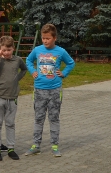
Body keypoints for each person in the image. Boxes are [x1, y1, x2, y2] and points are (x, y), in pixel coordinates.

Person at [25, 23, 75, 157]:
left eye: (48, 38)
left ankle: (54, 145)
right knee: (38, 118)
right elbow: (28, 61)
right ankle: (36, 145)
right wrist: (33, 71)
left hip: (55, 90)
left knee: (54, 118)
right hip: (39, 89)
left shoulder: (61, 51)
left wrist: (64, 73)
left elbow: (71, 63)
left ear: (54, 38)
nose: (45, 41)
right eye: (43, 38)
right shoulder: (37, 50)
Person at [0, 36, 28, 161]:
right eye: (4, 50)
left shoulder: (17, 60)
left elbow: (24, 69)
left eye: (9, 50)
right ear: (0, 49)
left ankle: (11, 148)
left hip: (12, 97)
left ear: (13, 48)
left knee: (10, 123)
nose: (6, 53)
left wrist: (17, 79)